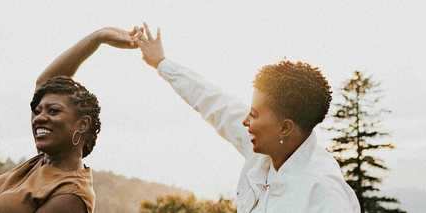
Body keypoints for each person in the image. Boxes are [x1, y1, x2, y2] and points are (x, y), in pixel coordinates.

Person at [136, 22, 360, 213]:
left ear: (285, 128)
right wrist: (161, 63)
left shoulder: (326, 195)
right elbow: (213, 101)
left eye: (253, 115)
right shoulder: (268, 152)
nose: (245, 122)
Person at [0, 26, 141, 213]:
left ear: (82, 125)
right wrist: (99, 37)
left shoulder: (70, 195)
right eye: (38, 110)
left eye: (53, 111)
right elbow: (45, 82)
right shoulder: (43, 162)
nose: (40, 118)